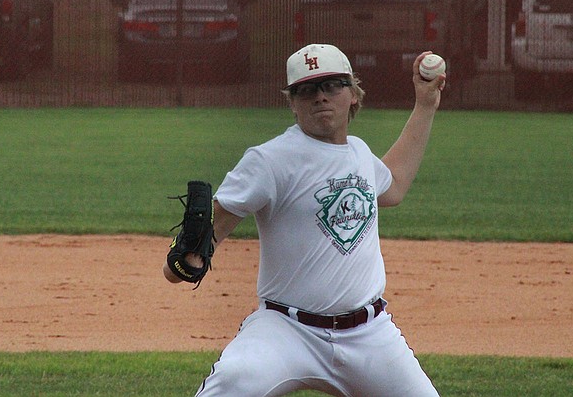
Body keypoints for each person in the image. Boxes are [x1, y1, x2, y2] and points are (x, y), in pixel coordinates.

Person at [164, 43, 445, 396]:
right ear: (293, 103)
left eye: (332, 86)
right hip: (285, 330)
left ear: (353, 95)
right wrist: (182, 261)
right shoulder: (269, 160)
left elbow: (395, 184)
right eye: (307, 90)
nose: (320, 97)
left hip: (369, 335)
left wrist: (425, 105)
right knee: (233, 382)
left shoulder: (359, 153)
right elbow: (201, 242)